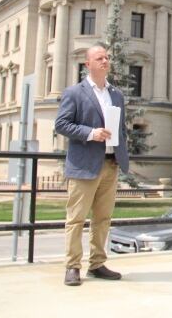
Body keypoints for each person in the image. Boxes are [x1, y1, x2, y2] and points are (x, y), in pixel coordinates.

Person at [55, 44, 130, 286]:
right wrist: (90, 133)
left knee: (103, 218)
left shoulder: (116, 94)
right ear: (88, 64)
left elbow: (121, 129)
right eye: (99, 58)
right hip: (84, 165)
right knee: (76, 218)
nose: (105, 61)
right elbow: (61, 124)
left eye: (107, 57)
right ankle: (72, 266)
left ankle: (97, 264)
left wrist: (121, 153)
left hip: (110, 164)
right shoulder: (75, 93)